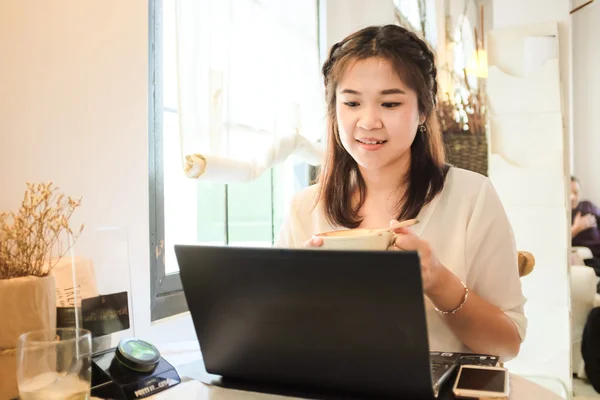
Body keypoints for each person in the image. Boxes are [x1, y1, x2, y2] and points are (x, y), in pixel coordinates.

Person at [276, 25, 526, 360]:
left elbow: (506, 344)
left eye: (390, 103)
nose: (368, 121)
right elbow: (278, 337)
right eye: (351, 102)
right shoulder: (306, 207)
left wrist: (437, 281)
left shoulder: (472, 196)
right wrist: (300, 294)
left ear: (423, 110)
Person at [571, 176, 600, 276]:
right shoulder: (563, 215)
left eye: (575, 193)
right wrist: (577, 228)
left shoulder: (587, 205)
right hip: (588, 258)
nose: (573, 197)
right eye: (569, 193)